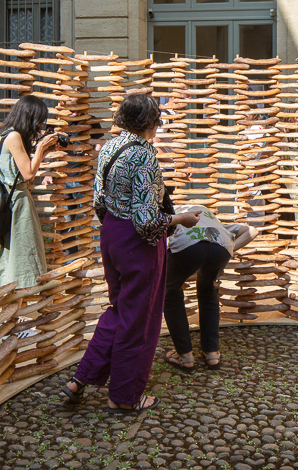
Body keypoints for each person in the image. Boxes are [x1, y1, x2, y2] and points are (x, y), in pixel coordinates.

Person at [61, 93, 200, 413]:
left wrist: (114, 227)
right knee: (138, 320)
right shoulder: (144, 156)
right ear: (150, 123)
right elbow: (147, 221)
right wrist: (180, 218)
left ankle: (80, 379)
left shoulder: (108, 147)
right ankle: (123, 396)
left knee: (119, 310)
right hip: (138, 244)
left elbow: (98, 199)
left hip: (110, 233)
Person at [162, 206, 259, 371]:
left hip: (188, 246)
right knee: (208, 291)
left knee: (170, 292)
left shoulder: (177, 214)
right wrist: (228, 250)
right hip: (220, 246)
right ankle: (212, 354)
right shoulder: (217, 224)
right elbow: (253, 231)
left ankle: (185, 357)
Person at [0, 95, 61, 288]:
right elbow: (28, 174)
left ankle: (14, 306)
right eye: (39, 120)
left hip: (8, 200)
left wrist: (44, 151)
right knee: (24, 253)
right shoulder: (13, 136)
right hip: (17, 202)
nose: (40, 125)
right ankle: (19, 306)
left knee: (13, 254)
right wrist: (39, 149)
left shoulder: (4, 135)